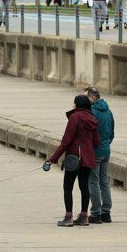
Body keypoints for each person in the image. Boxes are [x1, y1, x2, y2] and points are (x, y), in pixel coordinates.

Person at [46, 95, 100, 227]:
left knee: (68, 187)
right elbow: (97, 141)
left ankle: (68, 217)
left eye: (74, 104)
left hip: (74, 158)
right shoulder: (92, 119)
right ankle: (83, 216)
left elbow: (66, 141)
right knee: (84, 187)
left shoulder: (74, 117)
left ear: (77, 105)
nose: (73, 106)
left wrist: (52, 159)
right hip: (87, 159)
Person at [85, 87, 114, 224]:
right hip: (106, 150)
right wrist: (106, 144)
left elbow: (89, 133)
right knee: (104, 181)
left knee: (93, 181)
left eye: (86, 97)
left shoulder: (92, 112)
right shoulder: (108, 111)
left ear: (92, 98)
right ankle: (106, 212)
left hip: (95, 151)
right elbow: (111, 132)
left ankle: (95, 213)